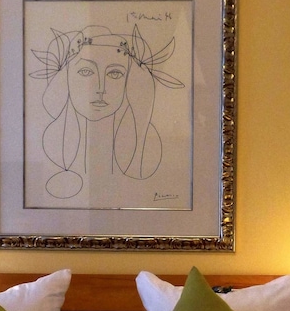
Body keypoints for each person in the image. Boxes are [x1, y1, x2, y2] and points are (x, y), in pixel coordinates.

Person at [29, 24, 183, 200]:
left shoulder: (146, 153)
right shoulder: (53, 147)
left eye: (115, 74)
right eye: (86, 71)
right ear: (67, 77)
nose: (100, 88)